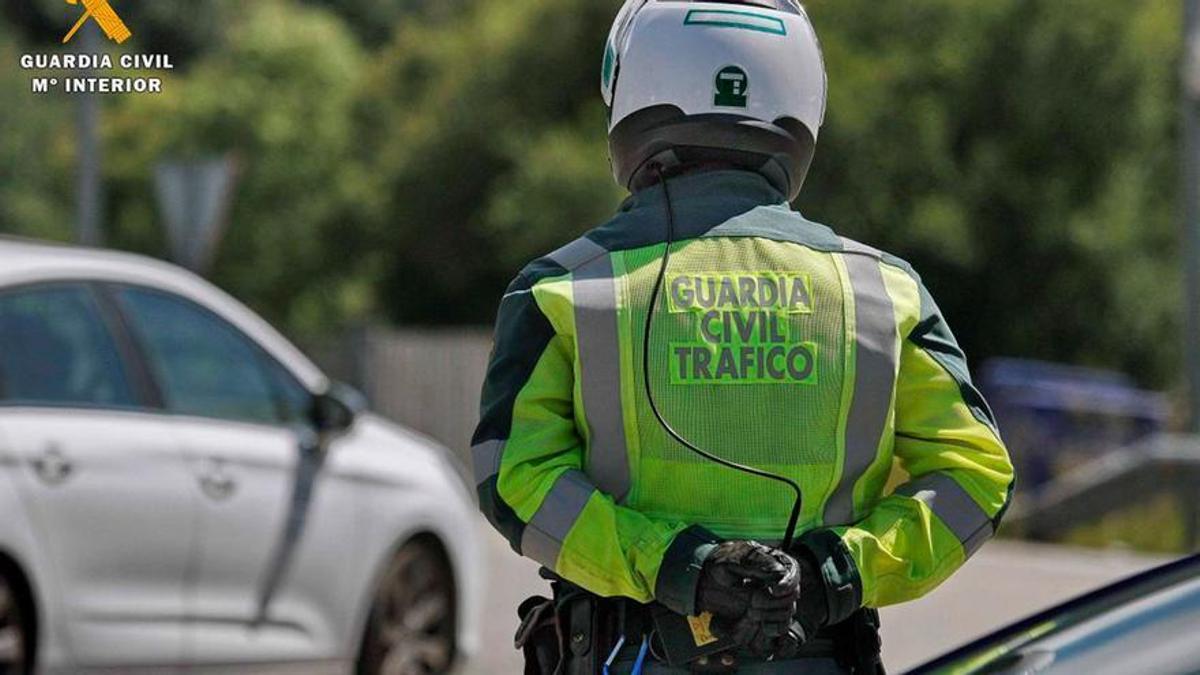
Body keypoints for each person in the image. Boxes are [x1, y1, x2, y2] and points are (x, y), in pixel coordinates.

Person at [471, 1, 1015, 672]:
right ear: (803, 106)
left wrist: (683, 568)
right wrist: (829, 575)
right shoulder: (886, 293)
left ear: (629, 95)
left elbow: (513, 480)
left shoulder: (562, 288)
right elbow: (976, 480)